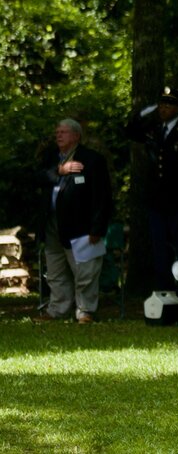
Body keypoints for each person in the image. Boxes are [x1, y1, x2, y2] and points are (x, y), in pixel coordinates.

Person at [125, 87, 178, 295]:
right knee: (160, 251)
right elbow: (130, 129)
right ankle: (163, 293)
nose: (163, 108)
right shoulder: (153, 130)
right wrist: (146, 111)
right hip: (157, 203)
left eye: (168, 104)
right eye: (161, 104)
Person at [36, 118, 113, 323]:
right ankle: (57, 309)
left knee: (85, 270)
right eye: (57, 132)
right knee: (55, 269)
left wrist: (98, 227)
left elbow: (102, 196)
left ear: (76, 136)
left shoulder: (92, 159)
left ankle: (85, 311)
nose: (58, 135)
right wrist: (60, 171)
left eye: (63, 132)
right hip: (52, 223)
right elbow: (37, 178)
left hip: (81, 225)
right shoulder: (51, 157)